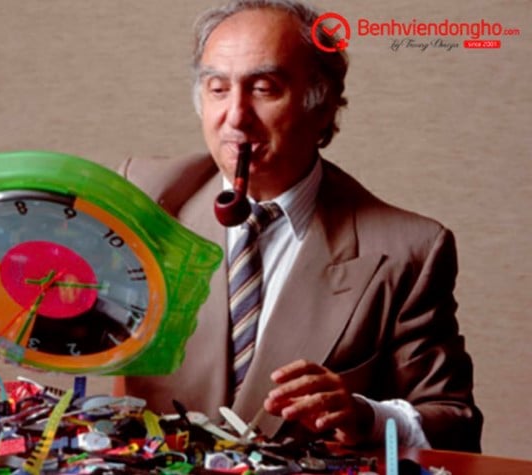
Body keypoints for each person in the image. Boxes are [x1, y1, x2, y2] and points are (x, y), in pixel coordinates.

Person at [113, 0, 483, 452]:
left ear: (322, 105)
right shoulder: (143, 198)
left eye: (263, 89)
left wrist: (368, 416)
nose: (235, 116)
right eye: (217, 89)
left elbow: (455, 424)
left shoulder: (409, 250)